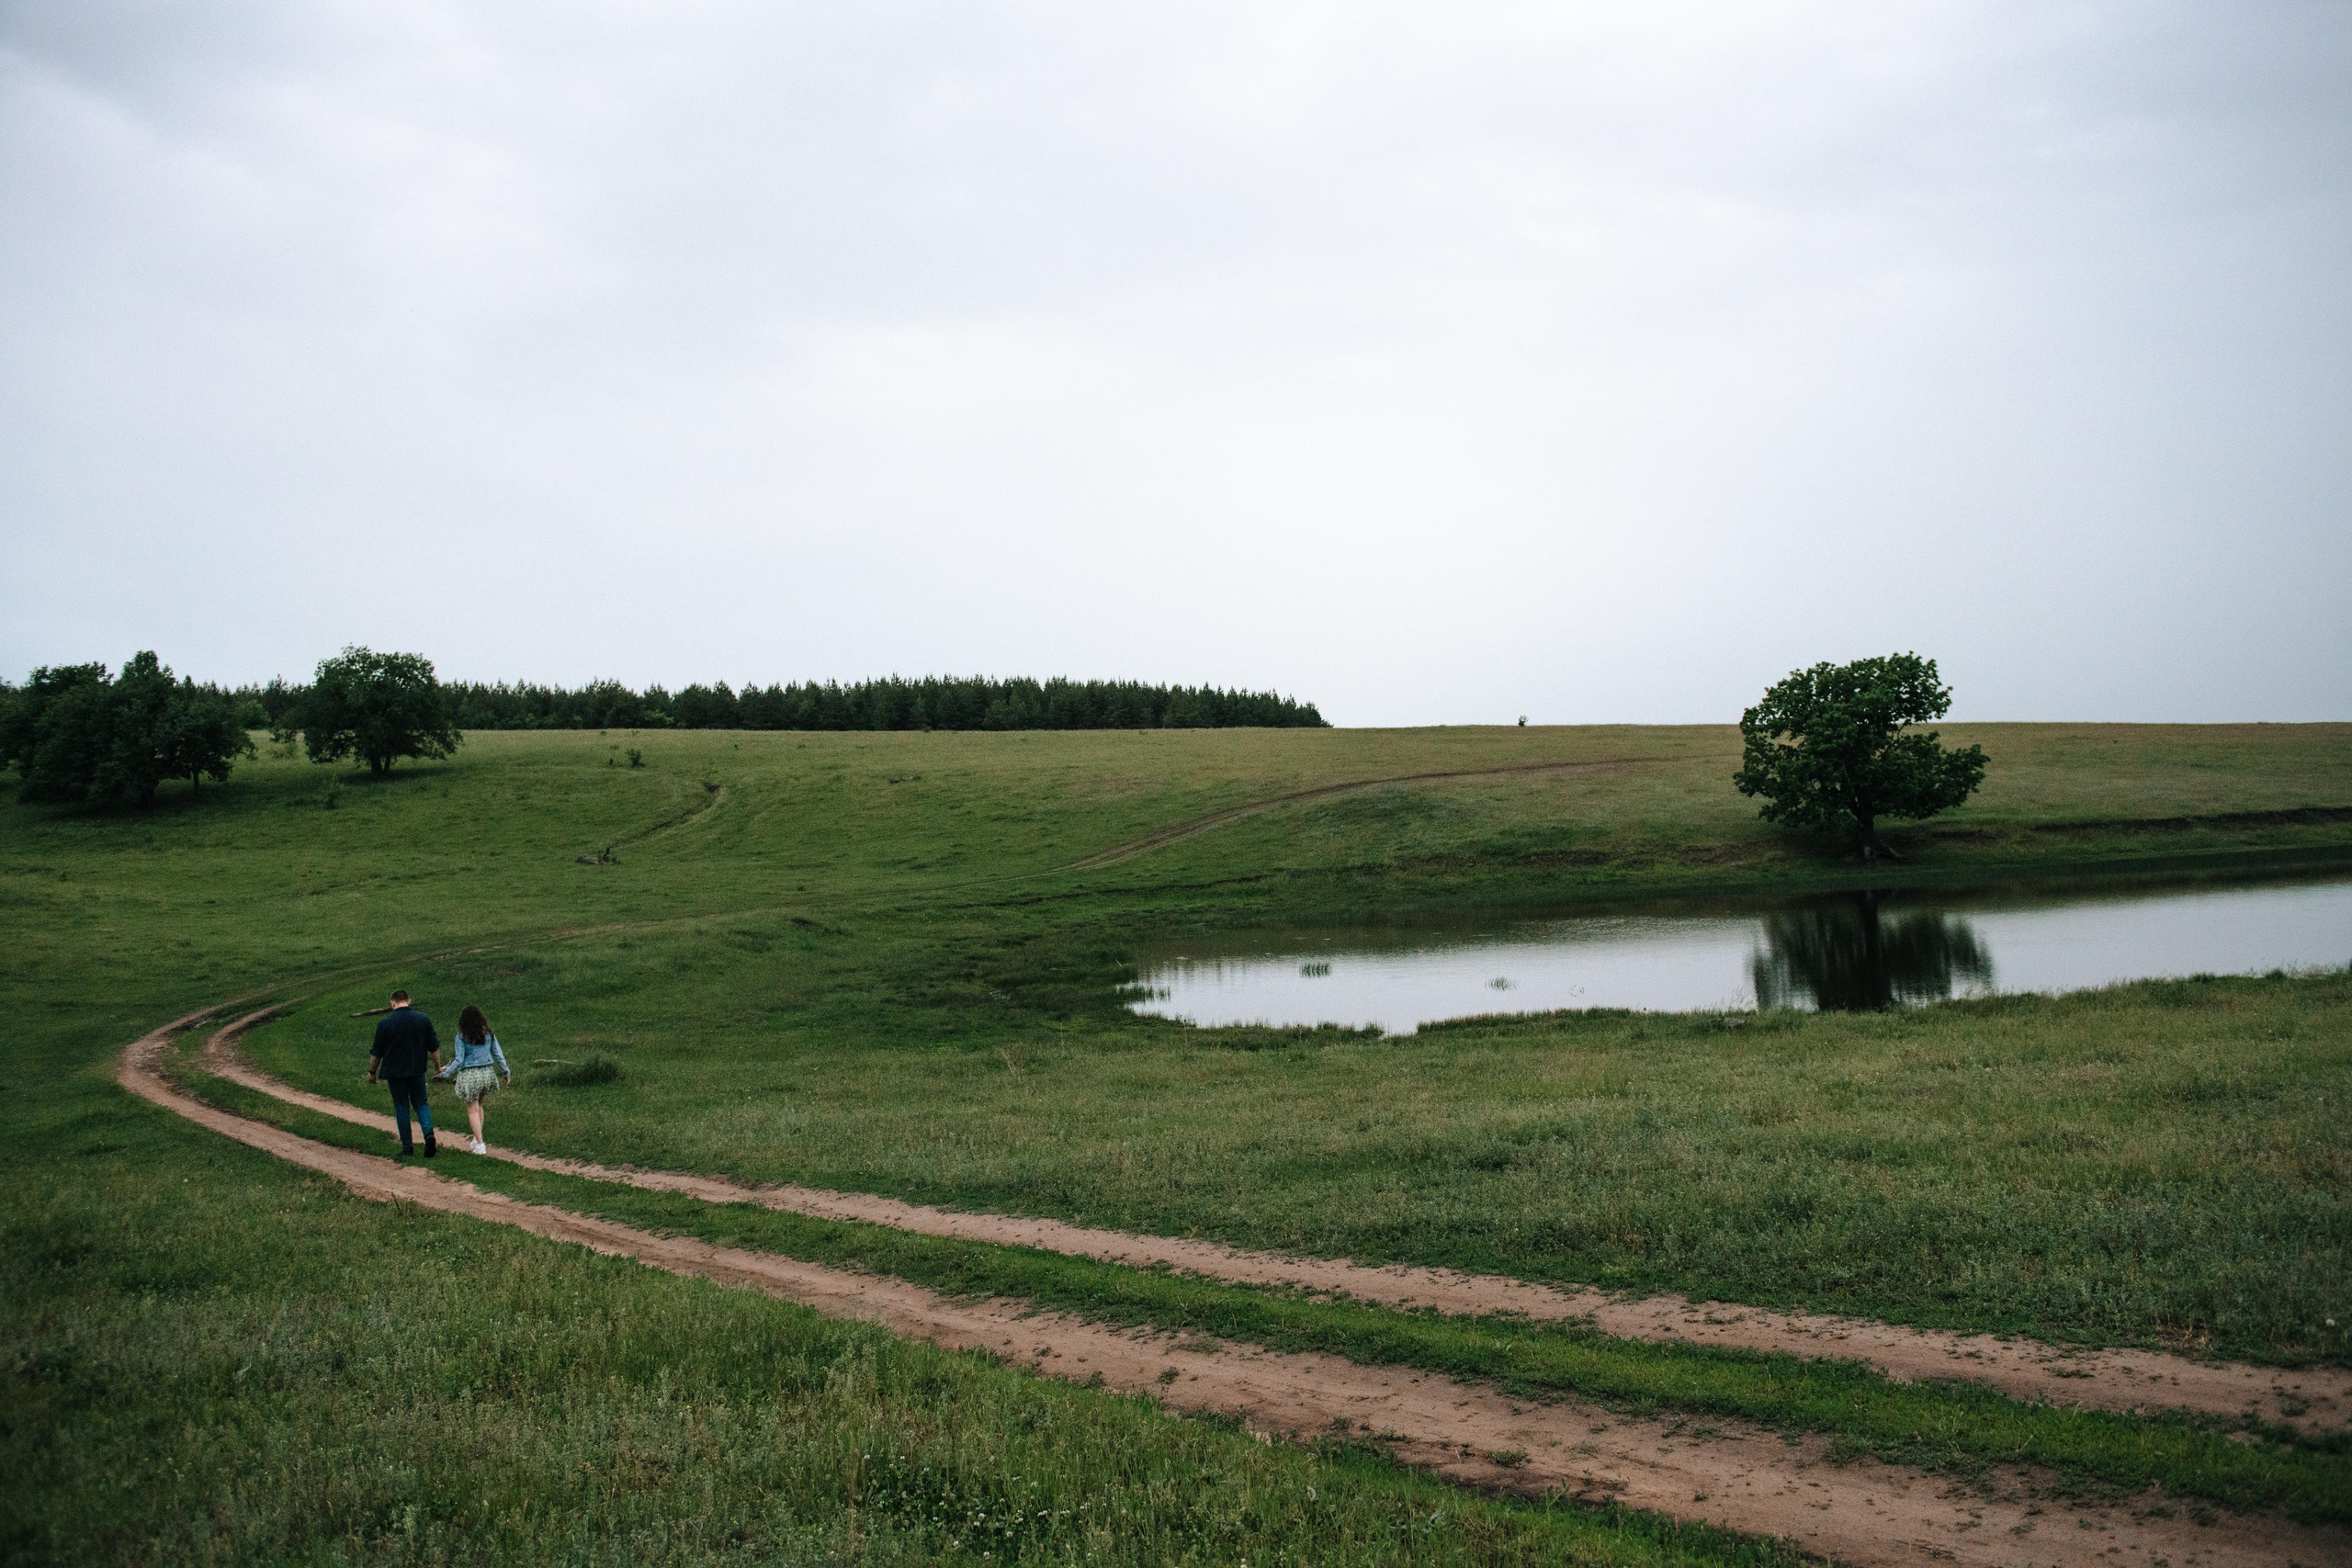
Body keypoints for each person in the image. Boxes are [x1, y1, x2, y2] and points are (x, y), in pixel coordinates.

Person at [366, 988, 441, 1156]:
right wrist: (437, 1067)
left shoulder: (385, 1023)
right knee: (421, 1103)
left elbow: (377, 1052)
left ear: (392, 1003)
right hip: (417, 1069)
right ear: (409, 1000)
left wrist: (372, 1072)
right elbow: (434, 1048)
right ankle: (428, 1135)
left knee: (401, 1107)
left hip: (395, 1072)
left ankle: (407, 1147)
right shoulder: (423, 1019)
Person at [436, 1003, 512, 1155]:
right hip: (487, 1073)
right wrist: (506, 1072)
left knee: (472, 1110)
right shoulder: (488, 1034)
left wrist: (444, 1074)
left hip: (471, 1076)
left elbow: (459, 1059)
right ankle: (477, 1139)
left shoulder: (462, 1037)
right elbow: (498, 1054)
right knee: (479, 1106)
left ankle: (480, 1145)